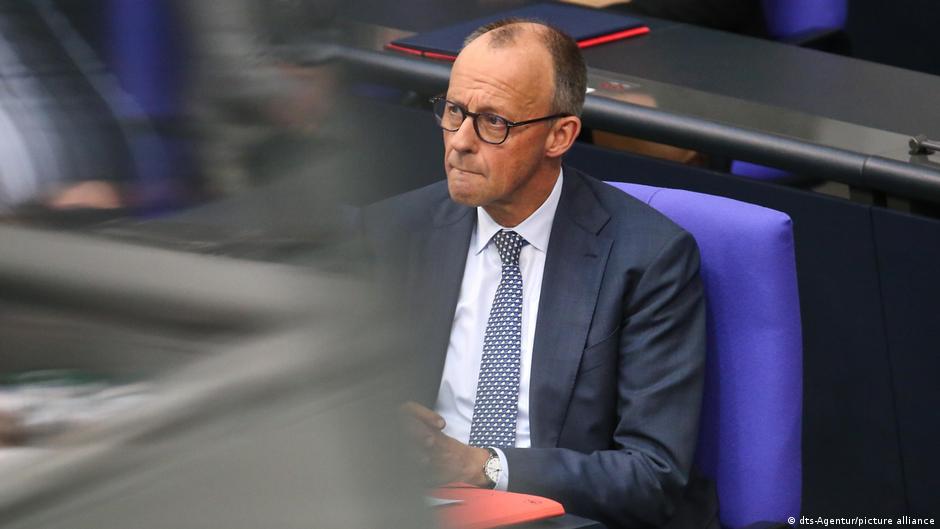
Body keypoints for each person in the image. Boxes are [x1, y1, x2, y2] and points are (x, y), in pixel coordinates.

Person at [363, 19, 717, 529]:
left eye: (493, 122)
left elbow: (652, 476)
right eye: (454, 111)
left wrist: (482, 466)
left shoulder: (647, 258)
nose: (460, 142)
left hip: (561, 516)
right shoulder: (392, 230)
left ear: (559, 135)